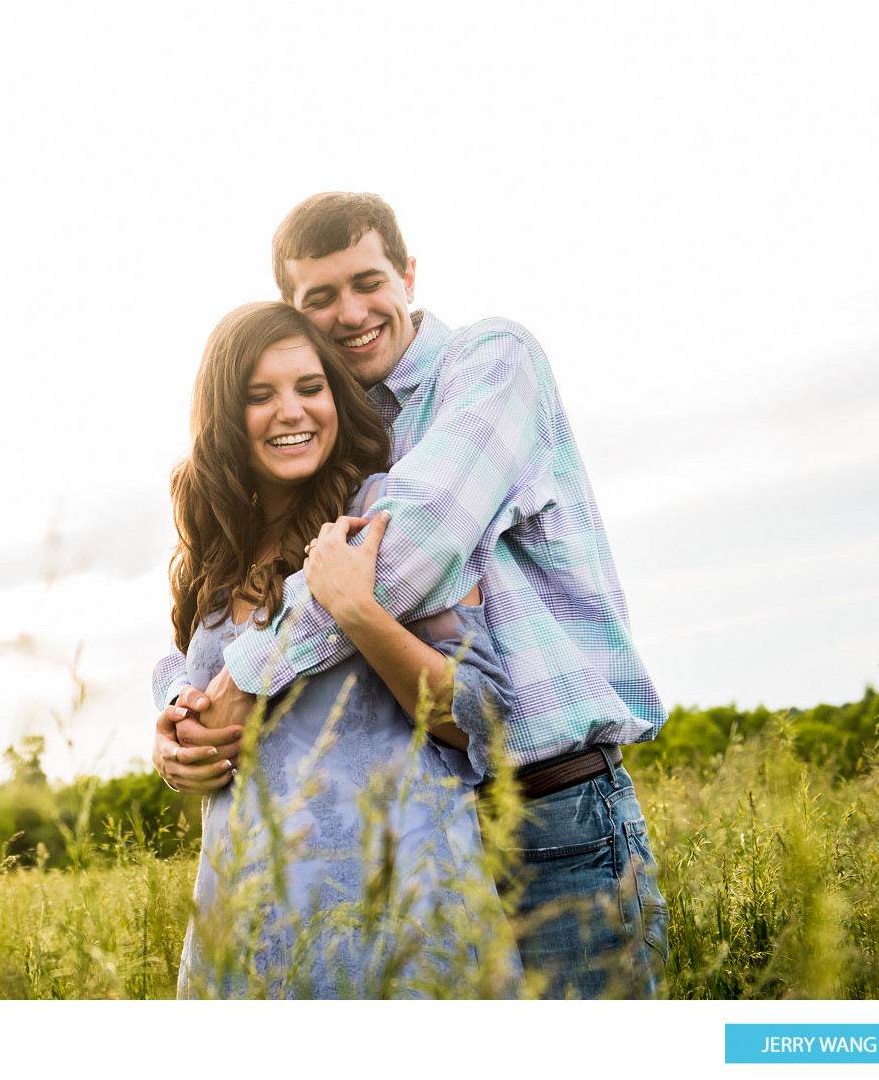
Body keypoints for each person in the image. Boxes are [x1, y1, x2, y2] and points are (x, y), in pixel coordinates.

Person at [152, 192, 671, 999]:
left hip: (550, 805)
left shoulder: (488, 363)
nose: (350, 312)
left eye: (367, 281)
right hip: (422, 847)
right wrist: (182, 711)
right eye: (319, 298)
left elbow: (409, 553)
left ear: (408, 274)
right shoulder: (343, 444)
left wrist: (240, 683)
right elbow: (211, 638)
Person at [164, 300, 520, 998]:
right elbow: (191, 682)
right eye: (259, 395)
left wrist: (358, 611)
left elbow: (479, 717)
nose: (291, 411)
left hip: (402, 921)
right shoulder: (212, 555)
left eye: (309, 386)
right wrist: (174, 732)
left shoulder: (386, 510)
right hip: (250, 930)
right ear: (222, 415)